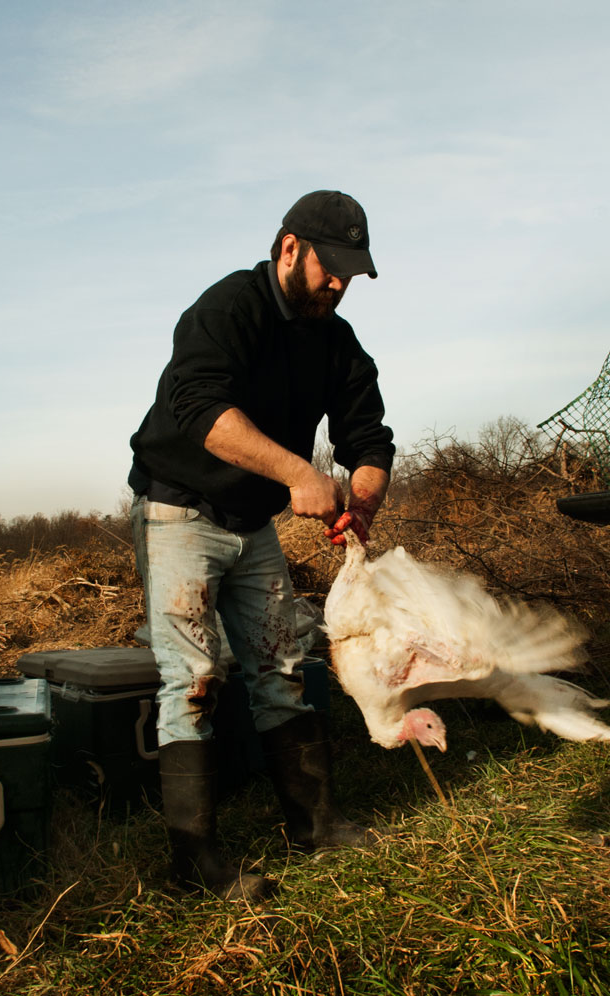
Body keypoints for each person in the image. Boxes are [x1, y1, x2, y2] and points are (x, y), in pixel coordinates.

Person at [127, 190, 395, 900]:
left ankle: (316, 828)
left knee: (282, 668)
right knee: (194, 680)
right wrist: (299, 473)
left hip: (252, 525)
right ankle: (194, 866)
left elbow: (368, 435)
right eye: (329, 268)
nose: (338, 284)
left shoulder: (335, 340)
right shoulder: (227, 309)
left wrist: (362, 498)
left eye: (350, 274)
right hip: (177, 513)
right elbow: (202, 413)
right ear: (289, 249)